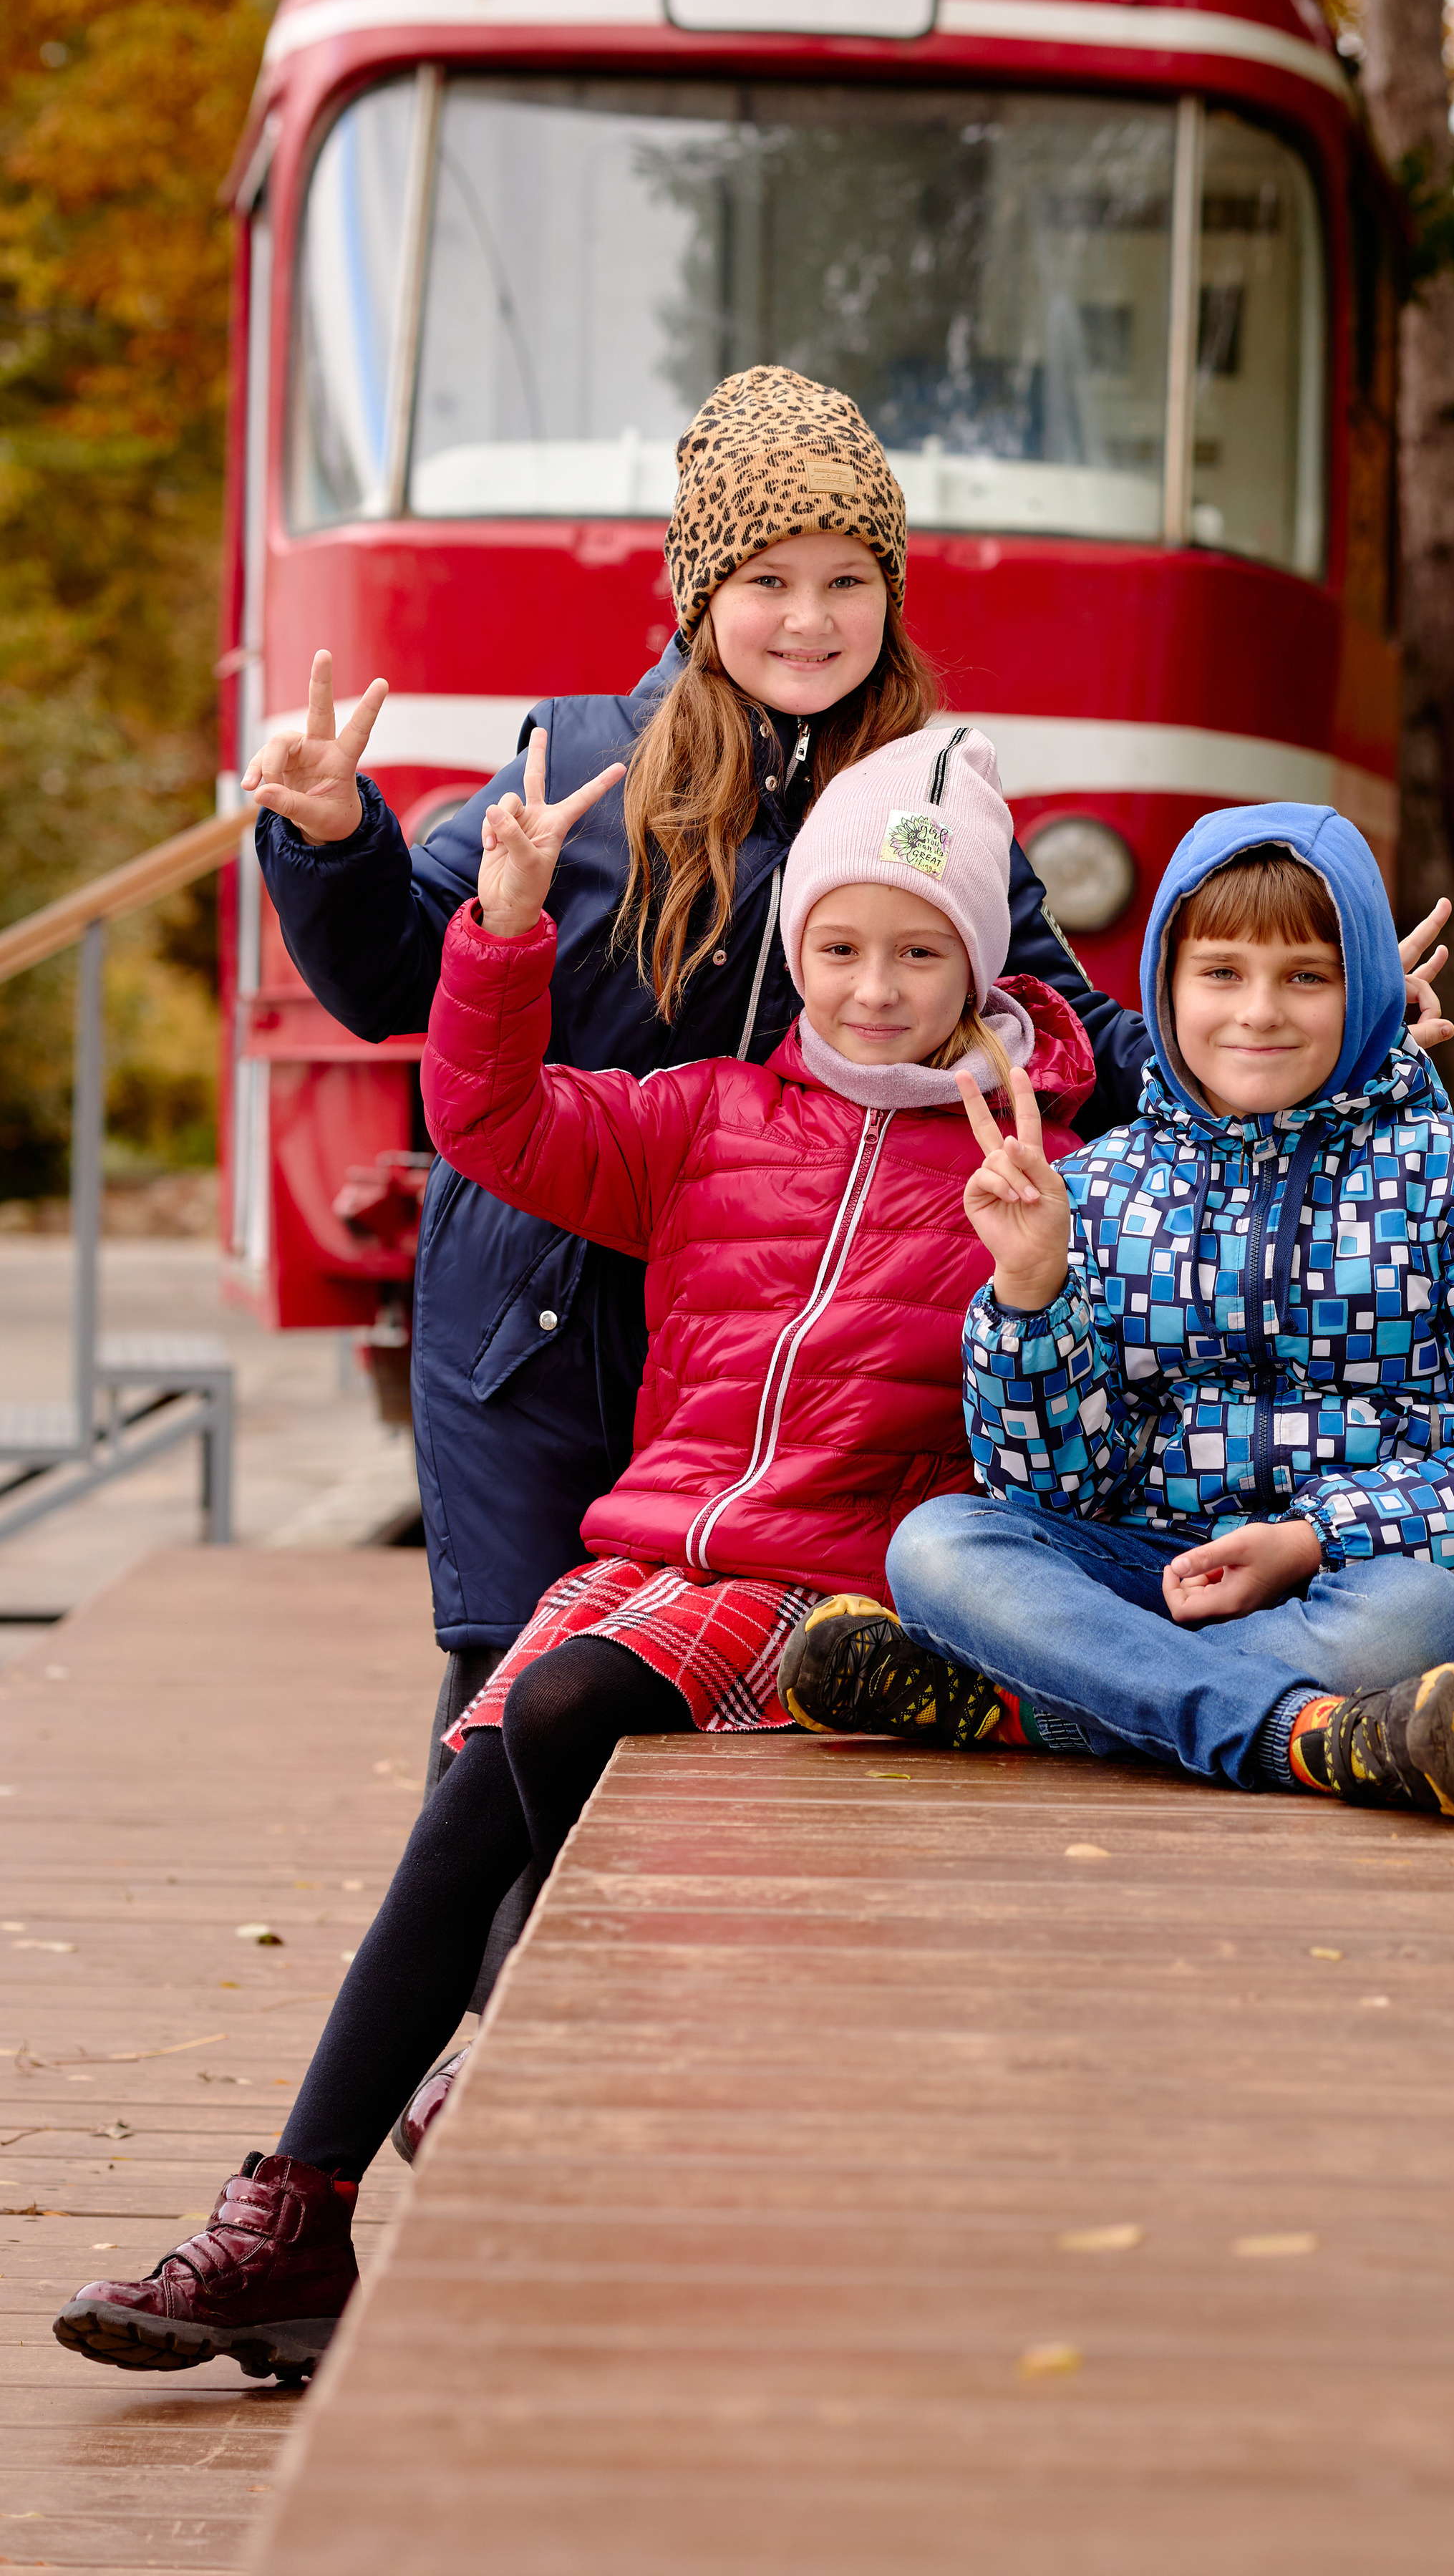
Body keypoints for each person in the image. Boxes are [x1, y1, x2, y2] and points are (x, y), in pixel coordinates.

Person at [244, 364, 1454, 1895]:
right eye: (766, 581)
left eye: (845, 582)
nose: (807, 621)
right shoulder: (581, 763)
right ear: (700, 594)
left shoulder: (928, 801)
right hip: (548, 1311)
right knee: (511, 1702)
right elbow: (400, 981)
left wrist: (1310, 1039)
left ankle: (644, 2008)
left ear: (891, 593)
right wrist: (334, 838)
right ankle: (475, 2013)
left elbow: (1069, 1035)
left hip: (779, 1330)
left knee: (713, 1717)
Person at [53, 722, 1094, 2386]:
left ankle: (473, 2072)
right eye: (837, 948)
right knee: (482, 1764)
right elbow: (492, 1124)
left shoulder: (1039, 1164)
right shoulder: (709, 1115)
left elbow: (1079, 1415)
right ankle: (297, 2209)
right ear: (794, 953)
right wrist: (504, 930)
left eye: (919, 953)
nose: (873, 989)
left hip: (846, 1584)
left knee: (548, 1705)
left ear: (978, 963)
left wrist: (1043, 1269)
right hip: (659, 1554)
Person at [778, 803, 1454, 1819]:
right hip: (1140, 1567)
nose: (1260, 1012)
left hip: (1353, 1581)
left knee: (1425, 1623)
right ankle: (1305, 1733)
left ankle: (1043, 1704)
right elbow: (1055, 1490)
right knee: (938, 1545)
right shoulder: (1103, 1184)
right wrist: (1031, 1293)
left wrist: (1311, 1539)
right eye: (1221, 973)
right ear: (1165, 985)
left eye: (1307, 976)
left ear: (1368, 989)